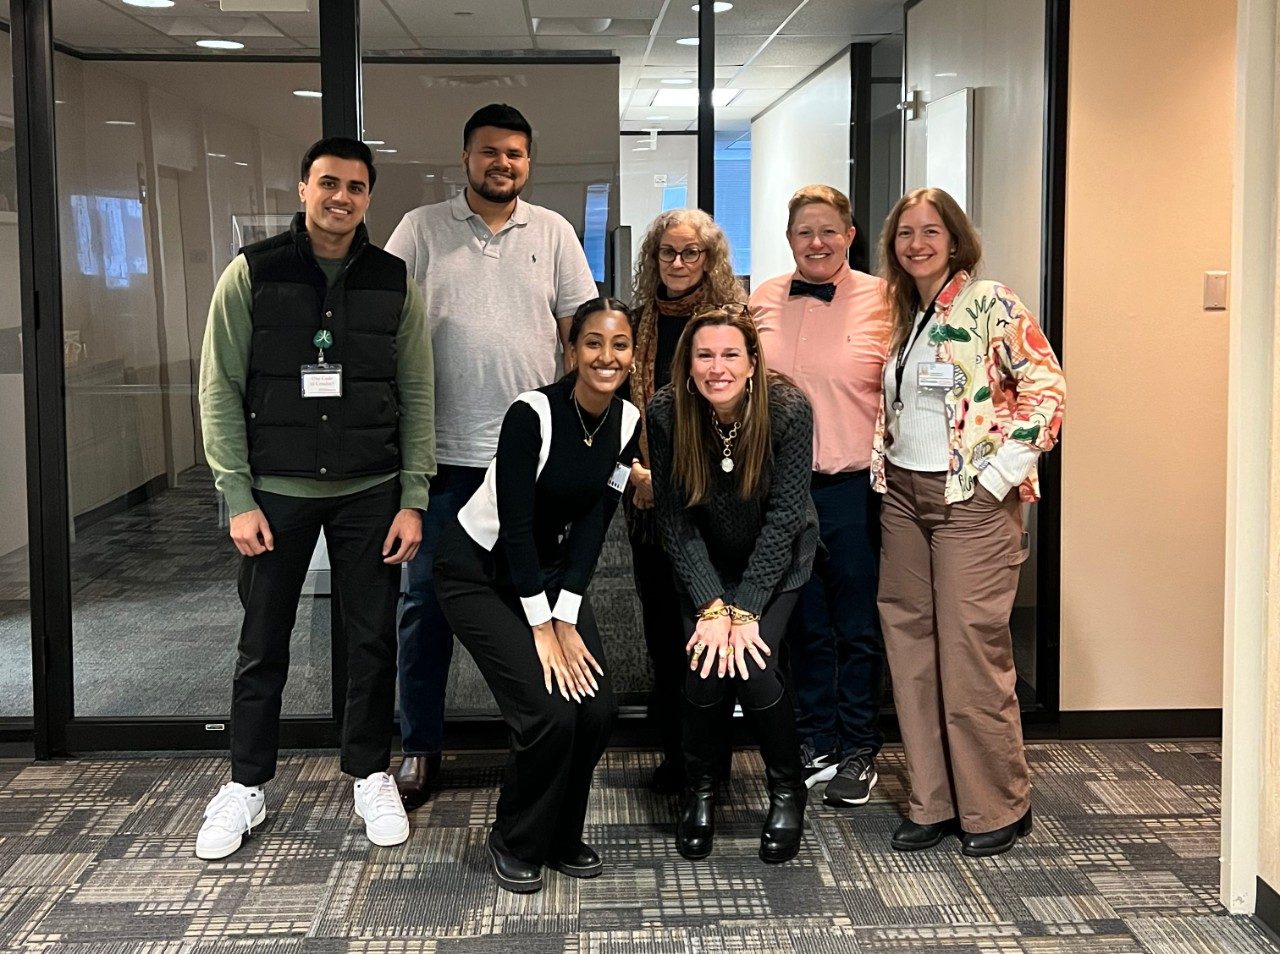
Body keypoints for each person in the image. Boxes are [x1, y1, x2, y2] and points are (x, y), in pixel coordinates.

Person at [195, 137, 434, 860]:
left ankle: (368, 773)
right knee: (262, 644)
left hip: (371, 490)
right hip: (275, 494)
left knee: (371, 642)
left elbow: (418, 391)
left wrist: (413, 496)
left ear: (368, 198)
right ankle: (246, 786)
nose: (341, 198)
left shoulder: (393, 280)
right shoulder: (253, 273)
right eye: (328, 183)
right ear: (302, 187)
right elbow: (218, 390)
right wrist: (235, 493)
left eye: (356, 187)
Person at [386, 103, 598, 809]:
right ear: (465, 159)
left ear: (528, 162)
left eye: (514, 153)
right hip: (443, 459)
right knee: (425, 609)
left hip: (525, 465)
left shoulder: (556, 234)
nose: (501, 163)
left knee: (528, 604)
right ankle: (420, 747)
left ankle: (534, 736)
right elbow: (383, 324)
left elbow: (580, 338)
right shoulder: (420, 230)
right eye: (488, 152)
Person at [873, 187, 1065, 857]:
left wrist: (996, 479)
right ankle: (933, 799)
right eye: (905, 233)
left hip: (969, 503)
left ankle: (995, 805)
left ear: (955, 239)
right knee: (911, 652)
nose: (916, 243)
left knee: (970, 656)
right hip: (904, 497)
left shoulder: (991, 302)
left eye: (930, 231)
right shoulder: (905, 312)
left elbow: (1048, 389)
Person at [433, 299, 641, 893]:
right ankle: (516, 837)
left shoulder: (626, 423)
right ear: (571, 351)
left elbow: (597, 523)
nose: (607, 356)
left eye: (619, 344)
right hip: (477, 571)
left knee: (597, 709)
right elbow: (516, 526)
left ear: (632, 353)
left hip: (545, 573)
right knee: (548, 710)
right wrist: (543, 626)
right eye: (593, 343)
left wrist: (568, 612)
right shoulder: (533, 414)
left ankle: (560, 833)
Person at [647, 305, 819, 864]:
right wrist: (711, 603)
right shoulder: (668, 412)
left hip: (778, 561)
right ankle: (701, 794)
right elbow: (674, 519)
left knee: (753, 663)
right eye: (704, 355)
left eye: (729, 355)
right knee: (703, 662)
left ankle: (787, 794)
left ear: (751, 363)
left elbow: (787, 516)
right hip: (705, 566)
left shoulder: (788, 409)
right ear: (688, 363)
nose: (716, 367)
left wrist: (743, 609)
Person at [751, 185, 891, 807]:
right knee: (802, 624)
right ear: (789, 240)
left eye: (829, 230)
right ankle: (817, 740)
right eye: (805, 232)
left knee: (856, 626)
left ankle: (861, 749)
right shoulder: (762, 300)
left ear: (850, 235)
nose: (817, 242)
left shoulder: (885, 301)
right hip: (782, 491)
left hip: (852, 489)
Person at [626, 209, 746, 793]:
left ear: (709, 259)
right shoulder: (635, 322)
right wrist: (635, 473)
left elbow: (747, 416)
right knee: (662, 635)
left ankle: (711, 766)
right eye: (667, 253)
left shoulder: (730, 325)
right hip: (648, 502)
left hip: (714, 505)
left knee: (709, 630)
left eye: (689, 253)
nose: (677, 263)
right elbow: (617, 412)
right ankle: (677, 757)